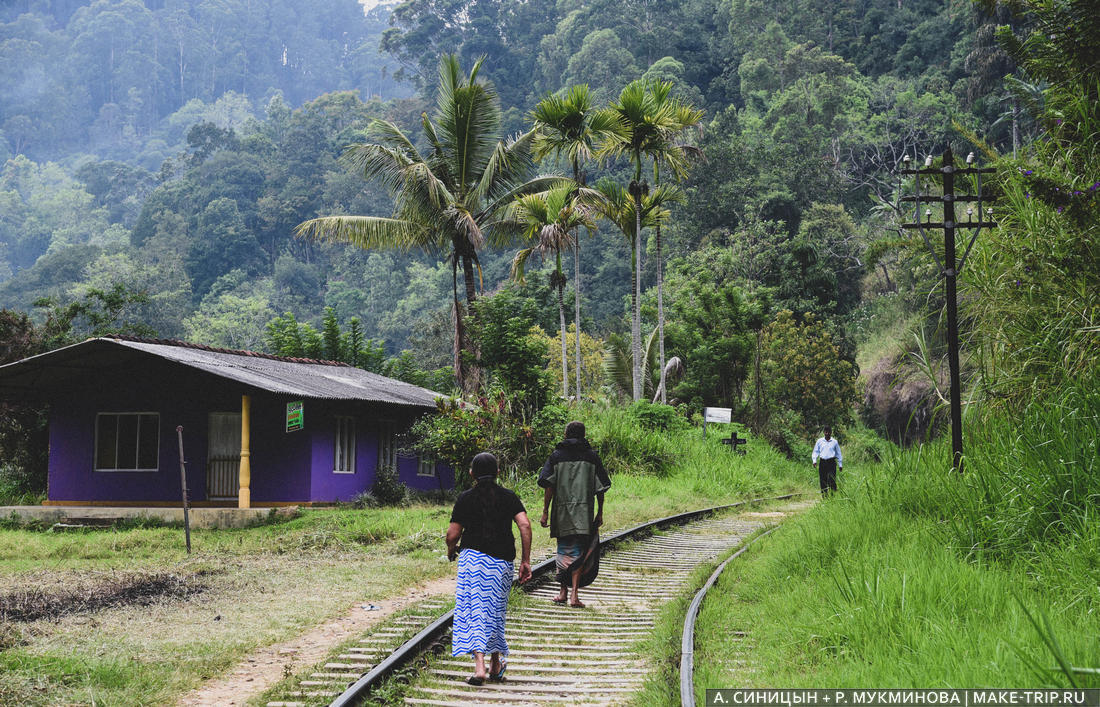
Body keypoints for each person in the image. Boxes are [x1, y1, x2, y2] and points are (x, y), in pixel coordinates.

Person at [446, 452, 532, 685]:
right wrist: (526, 560)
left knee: (474, 610)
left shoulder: (465, 498)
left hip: (473, 560)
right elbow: (524, 525)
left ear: (472, 473)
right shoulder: (508, 497)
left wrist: (450, 549)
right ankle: (495, 664)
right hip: (502, 562)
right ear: (498, 472)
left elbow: (452, 534)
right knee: (495, 610)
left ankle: (480, 668)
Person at [538, 421, 610, 608]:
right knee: (579, 551)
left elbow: (548, 486)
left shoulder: (556, 456)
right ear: (583, 435)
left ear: (566, 434)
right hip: (584, 512)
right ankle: (574, 595)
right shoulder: (591, 457)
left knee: (563, 550)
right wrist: (600, 512)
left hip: (561, 512)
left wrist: (545, 511)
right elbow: (600, 488)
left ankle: (563, 592)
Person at [812, 425, 842, 495]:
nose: (827, 433)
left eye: (829, 432)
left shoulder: (834, 442)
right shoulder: (820, 441)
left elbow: (838, 453)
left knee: (832, 479)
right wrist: (814, 460)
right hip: (823, 462)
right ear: (824, 432)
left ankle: (833, 495)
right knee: (823, 480)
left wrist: (840, 464)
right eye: (826, 432)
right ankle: (824, 496)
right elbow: (815, 451)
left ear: (831, 433)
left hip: (831, 462)